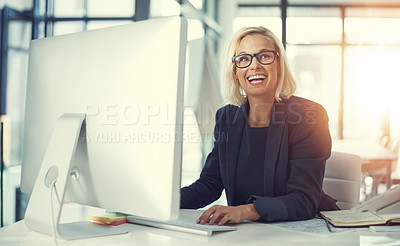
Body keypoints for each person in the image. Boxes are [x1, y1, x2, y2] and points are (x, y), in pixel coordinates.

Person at [180, 26, 339, 226]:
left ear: (279, 65)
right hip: (247, 232)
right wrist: (163, 201)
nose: (254, 65)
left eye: (264, 56)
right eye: (244, 59)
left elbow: (304, 200)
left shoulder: (308, 115)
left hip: (300, 230)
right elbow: (209, 184)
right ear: (235, 72)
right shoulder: (227, 116)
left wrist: (245, 211)